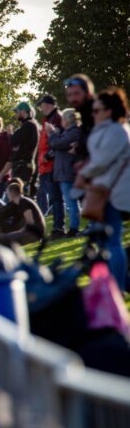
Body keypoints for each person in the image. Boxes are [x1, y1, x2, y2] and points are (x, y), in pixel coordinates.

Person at [76, 87, 130, 291]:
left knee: (113, 241)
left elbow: (102, 161)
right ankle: (121, 284)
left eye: (97, 110)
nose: (94, 113)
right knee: (109, 241)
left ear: (109, 111)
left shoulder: (115, 130)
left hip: (112, 193)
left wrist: (84, 173)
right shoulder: (114, 130)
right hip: (108, 190)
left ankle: (116, 286)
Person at [0, 179, 46, 255]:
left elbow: (30, 224)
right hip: (29, 233)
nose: (7, 195)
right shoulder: (16, 203)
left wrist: (16, 233)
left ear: (12, 193)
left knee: (0, 240)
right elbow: (1, 211)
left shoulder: (24, 202)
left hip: (34, 234)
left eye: (7, 193)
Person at [48, 109, 83, 237]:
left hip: (67, 172)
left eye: (63, 119)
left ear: (68, 120)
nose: (61, 121)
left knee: (71, 202)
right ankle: (74, 227)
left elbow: (57, 144)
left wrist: (52, 134)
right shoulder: (67, 133)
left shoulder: (73, 132)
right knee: (71, 202)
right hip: (63, 172)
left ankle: (74, 228)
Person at [35, 95, 66, 237]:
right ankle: (57, 227)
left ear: (47, 105)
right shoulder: (49, 119)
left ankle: (58, 228)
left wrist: (48, 156)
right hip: (45, 166)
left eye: (42, 105)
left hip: (52, 165)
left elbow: (59, 139)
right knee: (55, 198)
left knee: (56, 198)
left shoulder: (57, 119)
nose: (41, 108)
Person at [4, 102, 40, 195]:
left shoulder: (29, 125)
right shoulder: (28, 125)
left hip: (23, 166)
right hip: (23, 165)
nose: (15, 114)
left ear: (23, 112)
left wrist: (9, 133)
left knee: (21, 195)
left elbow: (14, 140)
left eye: (16, 111)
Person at [64, 74, 96, 161]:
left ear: (88, 93)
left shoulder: (99, 112)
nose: (73, 98)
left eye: (77, 93)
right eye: (69, 95)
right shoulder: (84, 115)